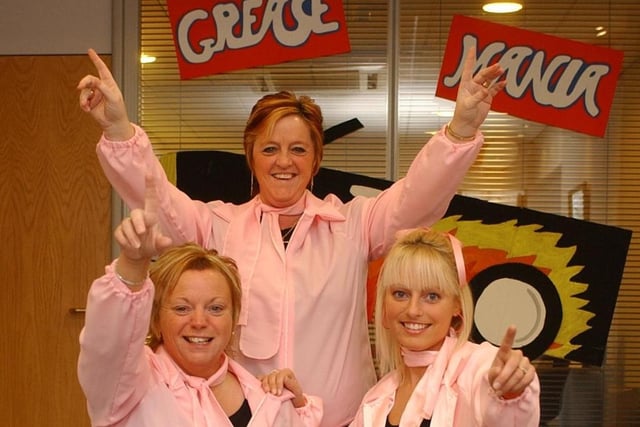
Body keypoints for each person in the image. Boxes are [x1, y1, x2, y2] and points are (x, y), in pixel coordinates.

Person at [77, 46, 506, 426]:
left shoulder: (353, 224)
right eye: (269, 149)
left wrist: (460, 131)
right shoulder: (217, 226)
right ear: (251, 158)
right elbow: (159, 199)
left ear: (316, 159)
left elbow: (417, 198)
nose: (284, 161)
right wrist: (119, 131)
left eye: (298, 149)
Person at [77, 181, 323, 426]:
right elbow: (108, 347)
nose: (199, 322)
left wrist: (298, 407)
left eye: (215, 308)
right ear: (156, 319)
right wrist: (132, 266)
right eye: (182, 308)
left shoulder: (266, 400)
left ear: (235, 318)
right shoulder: (129, 387)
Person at [349, 228, 540, 427]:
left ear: (456, 304)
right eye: (400, 294)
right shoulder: (375, 400)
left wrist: (510, 395)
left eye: (431, 296)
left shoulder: (478, 366)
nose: (413, 310)